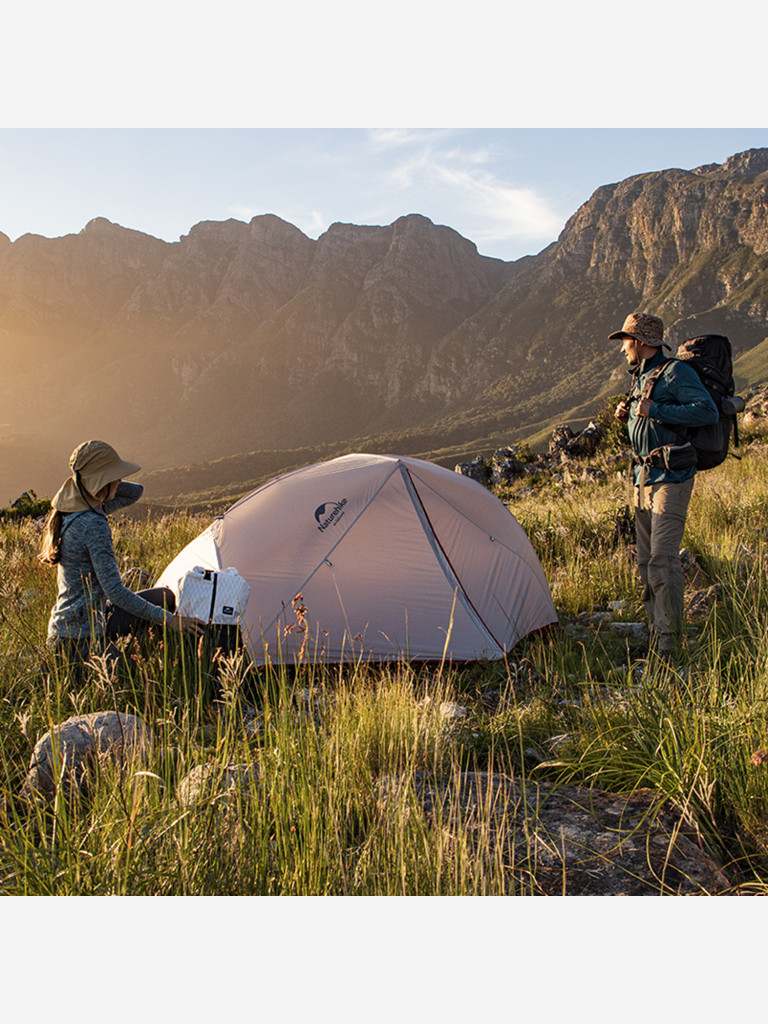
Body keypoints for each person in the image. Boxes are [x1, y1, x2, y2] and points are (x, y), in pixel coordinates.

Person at [610, 313, 718, 658]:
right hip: (643, 480)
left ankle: (670, 645)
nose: (623, 348)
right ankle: (657, 635)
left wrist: (655, 409)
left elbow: (707, 411)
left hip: (671, 478)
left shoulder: (676, 373)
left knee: (663, 560)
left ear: (641, 342)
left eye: (626, 341)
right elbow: (646, 424)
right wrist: (627, 415)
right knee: (645, 562)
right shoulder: (640, 377)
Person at [41, 439, 204, 668]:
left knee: (163, 597)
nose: (119, 480)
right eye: (113, 476)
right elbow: (116, 593)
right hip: (78, 638)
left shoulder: (83, 507)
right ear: (100, 482)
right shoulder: (92, 524)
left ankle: (138, 642)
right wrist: (170, 621)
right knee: (135, 680)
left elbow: (134, 493)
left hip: (90, 619)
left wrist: (96, 482)